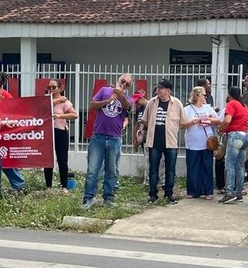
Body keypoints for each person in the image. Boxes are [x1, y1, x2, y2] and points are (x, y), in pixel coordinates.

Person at [82, 74, 132, 209]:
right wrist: (108, 100)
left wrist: (120, 96)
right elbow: (92, 104)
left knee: (111, 171)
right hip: (98, 136)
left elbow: (128, 106)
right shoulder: (104, 90)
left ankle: (108, 197)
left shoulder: (127, 98)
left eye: (128, 84)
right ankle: (88, 198)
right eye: (123, 81)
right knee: (93, 169)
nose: (124, 85)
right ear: (118, 80)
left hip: (115, 138)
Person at [142, 79, 186, 204]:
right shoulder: (152, 102)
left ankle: (169, 193)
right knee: (153, 169)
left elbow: (182, 122)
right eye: (158, 88)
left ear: (168, 90)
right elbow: (145, 120)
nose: (158, 90)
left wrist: (173, 130)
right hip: (154, 142)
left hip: (170, 142)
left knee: (170, 170)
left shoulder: (176, 103)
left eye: (161, 88)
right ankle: (153, 195)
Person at [0, 73, 25, 193]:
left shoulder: (7, 96)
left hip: (5, 133)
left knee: (7, 158)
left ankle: (18, 184)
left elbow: (13, 113)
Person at [182, 86, 220, 200]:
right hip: (192, 142)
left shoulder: (207, 108)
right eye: (204, 95)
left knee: (207, 167)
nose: (205, 96)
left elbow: (218, 121)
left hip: (206, 142)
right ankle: (193, 191)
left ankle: (208, 190)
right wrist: (193, 122)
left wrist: (208, 120)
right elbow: (181, 125)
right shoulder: (187, 109)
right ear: (197, 95)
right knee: (193, 167)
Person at [218, 86, 248, 204]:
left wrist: (221, 129)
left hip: (235, 135)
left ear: (230, 95)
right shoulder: (244, 106)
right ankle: (239, 192)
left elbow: (227, 120)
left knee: (230, 164)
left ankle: (229, 191)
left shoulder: (231, 104)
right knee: (240, 166)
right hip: (244, 136)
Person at [45, 79, 77, 192]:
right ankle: (48, 185)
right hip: (47, 131)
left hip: (60, 131)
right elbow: (40, 107)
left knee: (62, 159)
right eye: (49, 87)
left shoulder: (65, 102)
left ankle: (64, 185)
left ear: (60, 88)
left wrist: (60, 116)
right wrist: (57, 100)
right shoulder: (46, 99)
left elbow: (74, 114)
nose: (51, 90)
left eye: (54, 87)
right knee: (48, 159)